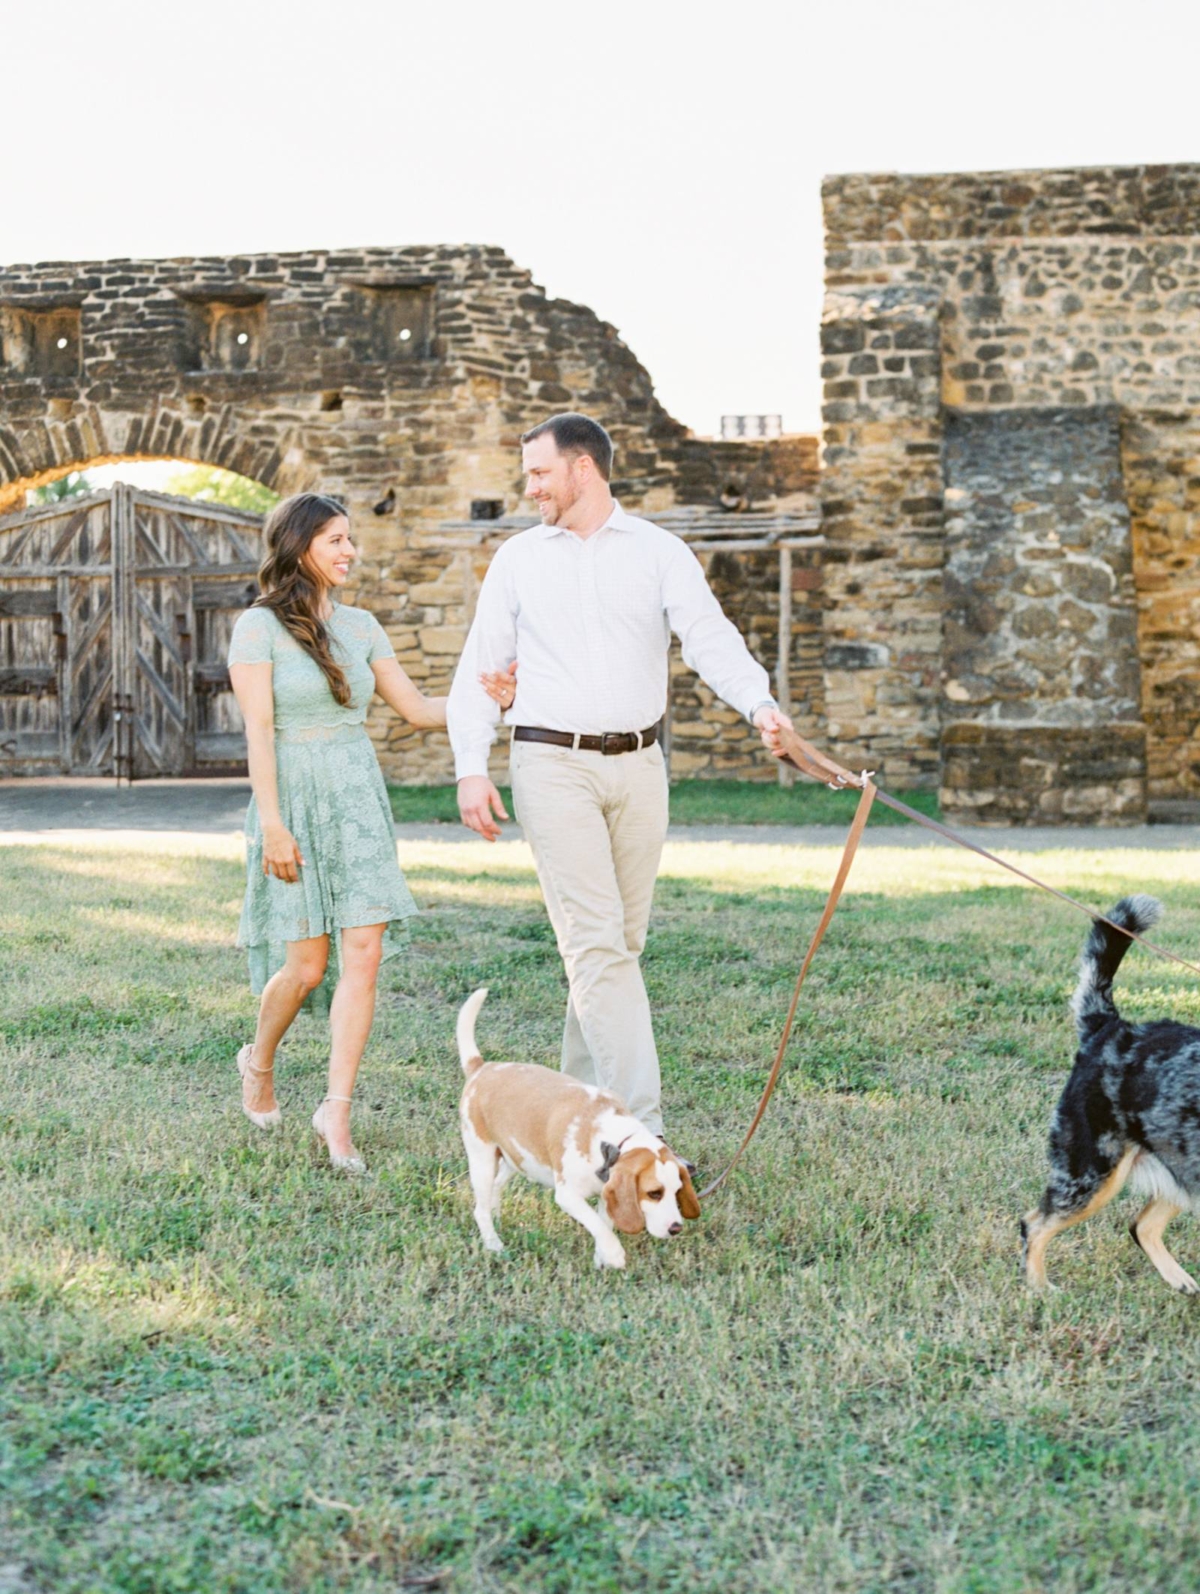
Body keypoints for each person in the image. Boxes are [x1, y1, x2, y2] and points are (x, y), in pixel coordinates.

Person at [447, 413, 792, 1138]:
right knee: (597, 946)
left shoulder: (658, 552)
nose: (530, 487)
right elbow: (482, 667)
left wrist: (759, 704)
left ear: (583, 469)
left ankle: (576, 1120)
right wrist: (471, 767)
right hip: (550, 762)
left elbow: (707, 636)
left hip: (640, 766)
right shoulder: (518, 558)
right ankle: (644, 1136)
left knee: (614, 950)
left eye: (539, 472)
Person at [228, 492, 514, 1173]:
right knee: (305, 966)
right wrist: (272, 823)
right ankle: (258, 1059)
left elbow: (416, 709)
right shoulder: (257, 629)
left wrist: (491, 697)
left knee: (364, 953)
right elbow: (260, 733)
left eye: (350, 539)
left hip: (357, 799)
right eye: (335, 540)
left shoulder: (361, 627)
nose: (349, 551)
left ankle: (337, 1109)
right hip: (292, 799)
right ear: (299, 546)